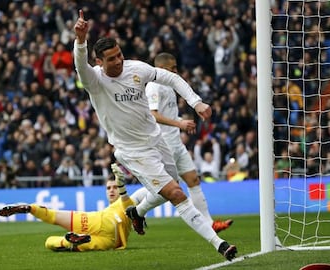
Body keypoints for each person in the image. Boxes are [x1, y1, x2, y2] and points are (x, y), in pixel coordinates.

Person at [73, 10, 237, 261]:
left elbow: (170, 77)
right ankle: (220, 245)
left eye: (119, 55)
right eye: (111, 59)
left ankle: (137, 213)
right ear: (99, 63)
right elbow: (80, 65)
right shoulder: (94, 81)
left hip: (157, 139)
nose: (118, 61)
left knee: (173, 188)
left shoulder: (136, 69)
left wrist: (196, 102)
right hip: (133, 150)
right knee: (176, 194)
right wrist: (81, 41)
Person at [144, 52, 232, 232]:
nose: (176, 71)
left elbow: (167, 113)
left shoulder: (169, 86)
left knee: (193, 179)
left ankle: (210, 223)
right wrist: (179, 123)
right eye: (173, 68)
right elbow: (153, 115)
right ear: (161, 69)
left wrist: (181, 121)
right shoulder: (153, 87)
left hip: (176, 142)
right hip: (163, 144)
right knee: (166, 189)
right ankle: (137, 209)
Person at [0, 163, 148, 251]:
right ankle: (76, 240)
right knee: (50, 242)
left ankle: (30, 208)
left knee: (52, 216)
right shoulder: (123, 204)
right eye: (109, 188)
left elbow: (134, 199)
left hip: (101, 223)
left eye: (114, 187)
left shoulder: (124, 201)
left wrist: (122, 187)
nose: (111, 190)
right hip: (109, 239)